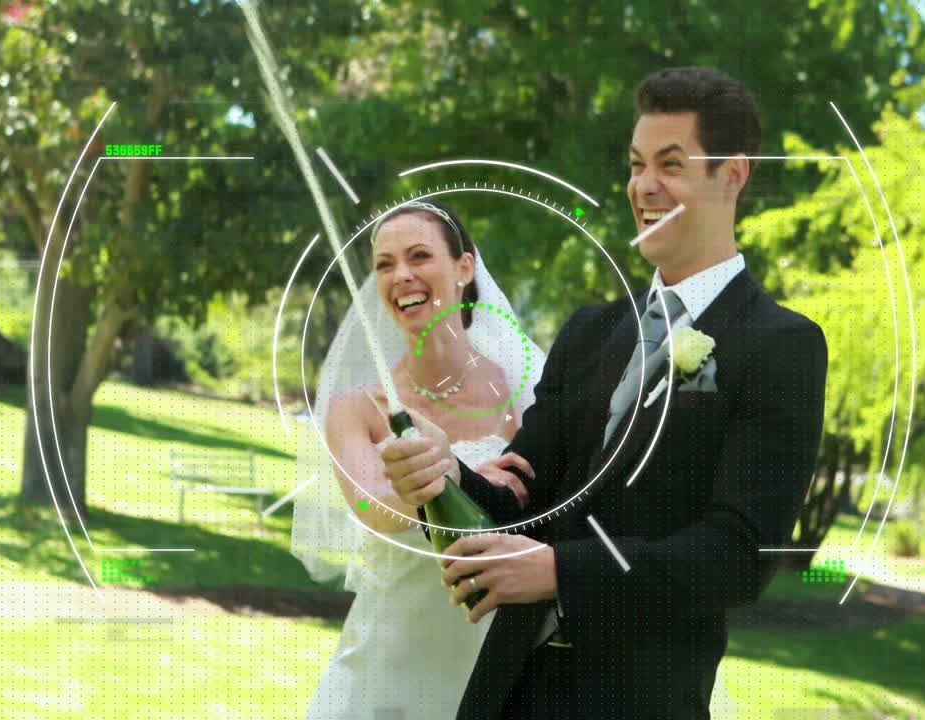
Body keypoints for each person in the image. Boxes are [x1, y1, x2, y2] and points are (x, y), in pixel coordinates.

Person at [383, 67, 829, 719]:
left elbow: (739, 554)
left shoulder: (780, 344)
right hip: (506, 694)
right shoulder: (590, 332)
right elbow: (522, 506)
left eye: (671, 164)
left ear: (732, 174)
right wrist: (441, 476)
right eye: (636, 164)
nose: (643, 186)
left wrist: (563, 573)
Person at [293, 199, 545, 719]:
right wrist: (447, 480)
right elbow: (373, 509)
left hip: (494, 659)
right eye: (384, 264)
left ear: (464, 267)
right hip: (388, 667)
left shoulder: (523, 390)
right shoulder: (355, 409)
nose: (400, 275)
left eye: (418, 256)